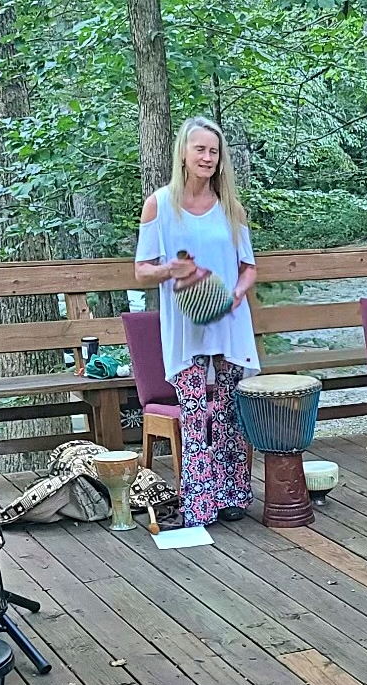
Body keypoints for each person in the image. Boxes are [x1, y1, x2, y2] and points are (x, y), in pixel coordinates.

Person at [134, 116, 259, 528]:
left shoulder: (231, 208)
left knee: (227, 409)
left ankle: (232, 494)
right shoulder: (159, 205)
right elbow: (141, 271)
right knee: (194, 410)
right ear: (183, 155)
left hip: (227, 320)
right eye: (199, 149)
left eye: (213, 151)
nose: (207, 157)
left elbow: (248, 268)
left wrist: (235, 295)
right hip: (185, 322)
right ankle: (198, 503)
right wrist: (170, 269)